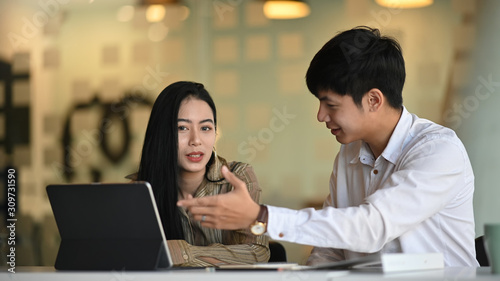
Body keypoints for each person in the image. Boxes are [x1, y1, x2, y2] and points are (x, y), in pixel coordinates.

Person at [177, 27, 479, 267]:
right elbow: (330, 251)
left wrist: (261, 216)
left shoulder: (438, 151)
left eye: (330, 104)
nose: (321, 116)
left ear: (373, 100)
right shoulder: (348, 154)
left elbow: (372, 227)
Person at [132, 81, 269, 267]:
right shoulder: (140, 189)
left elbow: (257, 251)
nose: (196, 140)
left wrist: (180, 253)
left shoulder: (237, 178)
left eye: (205, 128)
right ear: (162, 134)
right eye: (182, 128)